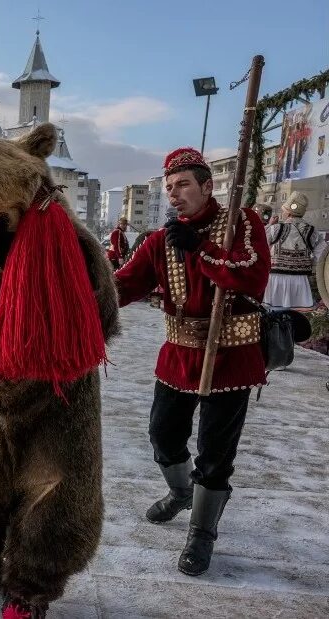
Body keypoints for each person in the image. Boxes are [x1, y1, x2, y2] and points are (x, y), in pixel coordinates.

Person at [114, 147, 270, 577]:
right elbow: (124, 285)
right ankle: (181, 492)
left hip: (231, 357)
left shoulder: (242, 221)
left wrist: (201, 248)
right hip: (179, 355)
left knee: (217, 455)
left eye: (182, 184)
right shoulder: (160, 239)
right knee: (163, 436)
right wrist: (78, 300)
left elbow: (253, 275)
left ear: (207, 185)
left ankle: (202, 534)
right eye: (169, 187)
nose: (174, 194)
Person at [263, 191, 327, 308]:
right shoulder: (312, 232)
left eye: (284, 210)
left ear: (288, 212)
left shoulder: (275, 229)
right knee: (298, 316)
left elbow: (261, 248)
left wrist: (269, 225)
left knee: (273, 314)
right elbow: (324, 256)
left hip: (275, 280)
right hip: (300, 281)